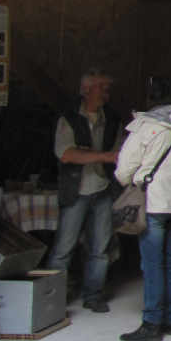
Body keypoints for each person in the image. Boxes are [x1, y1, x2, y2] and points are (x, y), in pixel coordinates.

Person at [114, 82, 171, 341]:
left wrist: (132, 179)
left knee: (152, 264)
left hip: (154, 201)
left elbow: (124, 168)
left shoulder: (145, 126)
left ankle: (152, 322)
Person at [47, 68, 121, 313]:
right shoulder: (68, 118)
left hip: (102, 190)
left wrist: (96, 156)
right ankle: (51, 299)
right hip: (76, 192)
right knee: (63, 249)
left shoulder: (111, 118)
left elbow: (121, 154)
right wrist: (104, 156)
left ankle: (93, 296)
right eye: (102, 87)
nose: (106, 93)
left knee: (100, 249)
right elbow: (66, 154)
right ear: (86, 90)